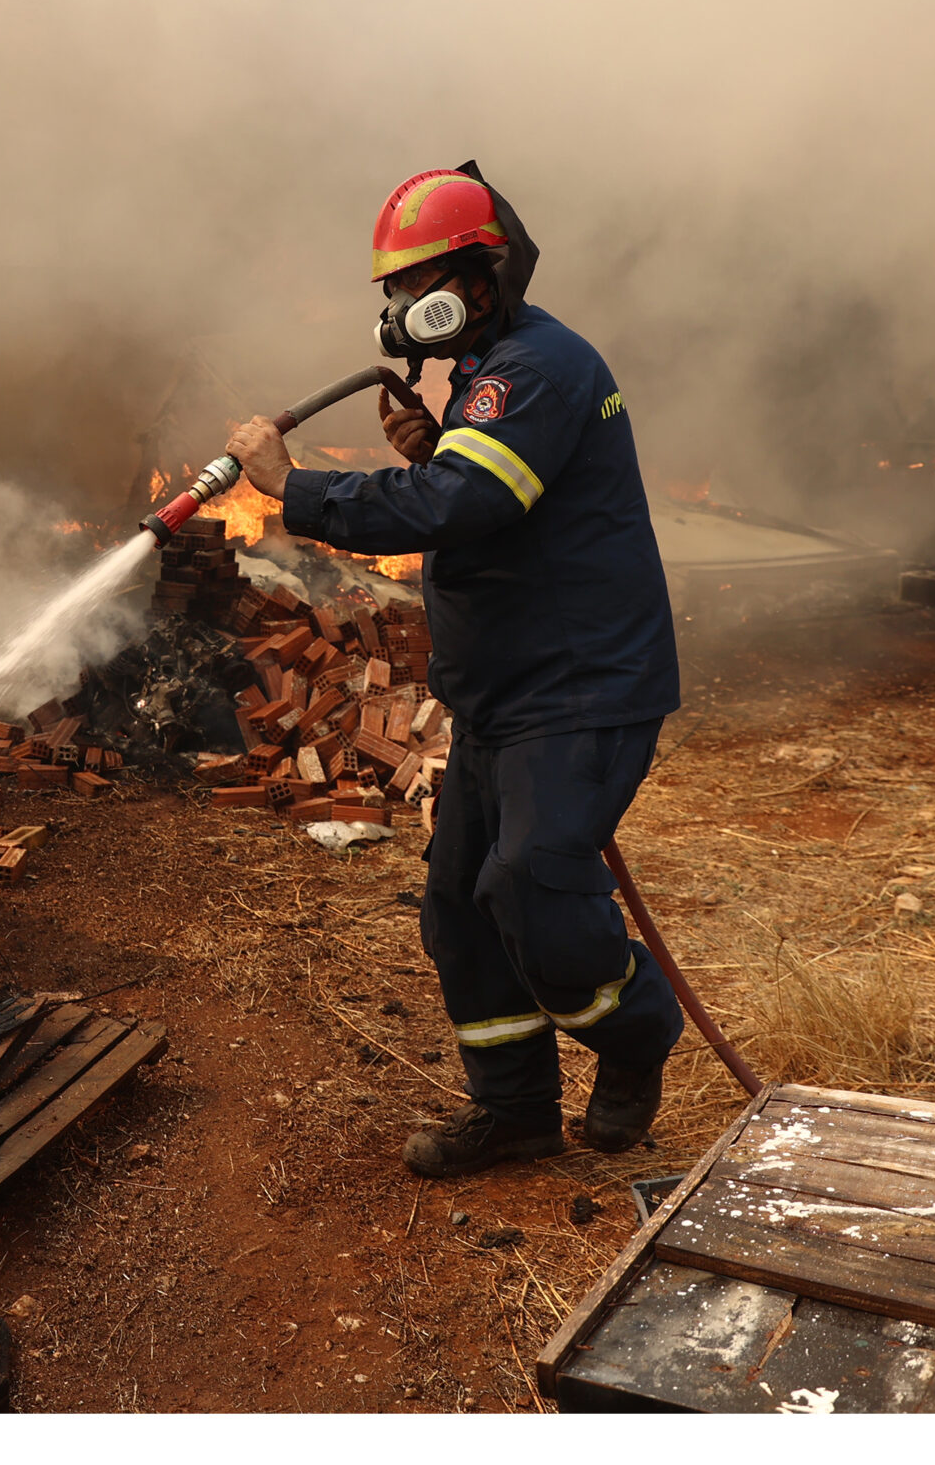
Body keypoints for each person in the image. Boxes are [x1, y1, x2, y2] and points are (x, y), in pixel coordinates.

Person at [222, 163, 684, 1177]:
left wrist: (287, 486)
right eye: (394, 291)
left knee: (529, 889)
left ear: (482, 277)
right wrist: (437, 446)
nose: (403, 311)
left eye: (418, 283)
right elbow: (486, 497)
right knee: (458, 912)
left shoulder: (536, 369)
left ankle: (635, 1032)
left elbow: (455, 510)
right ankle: (514, 1112)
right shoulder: (490, 377)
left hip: (579, 693)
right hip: (503, 701)